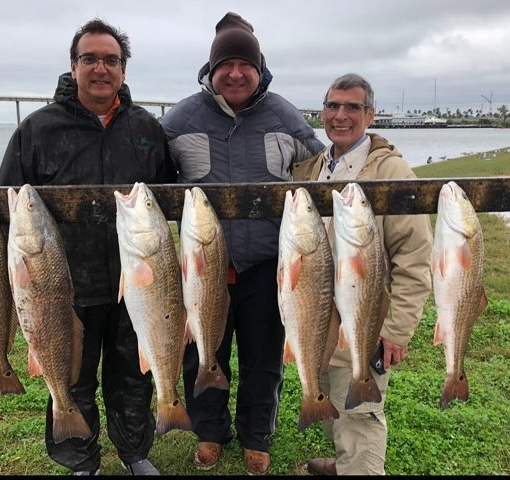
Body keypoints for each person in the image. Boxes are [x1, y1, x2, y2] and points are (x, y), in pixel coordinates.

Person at [0, 18, 177, 476]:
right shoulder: (37, 130)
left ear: (123, 69)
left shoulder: (146, 128)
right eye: (90, 58)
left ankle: (135, 454)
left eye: (111, 60)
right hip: (63, 284)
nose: (101, 68)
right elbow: (7, 204)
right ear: (73, 65)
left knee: (132, 376)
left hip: (137, 283)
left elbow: (166, 199)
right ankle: (81, 460)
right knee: (72, 377)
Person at [161, 11, 324, 476]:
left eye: (245, 65)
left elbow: (323, 171)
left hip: (269, 266)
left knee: (263, 356)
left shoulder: (284, 115)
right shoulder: (182, 118)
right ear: (210, 71)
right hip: (202, 267)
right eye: (225, 65)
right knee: (202, 351)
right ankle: (210, 431)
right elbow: (148, 175)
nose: (235, 74)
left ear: (260, 69)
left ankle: (257, 435)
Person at [292, 73, 433, 475]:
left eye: (352, 107)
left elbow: (415, 255)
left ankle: (359, 467)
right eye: (333, 106)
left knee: (361, 416)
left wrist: (398, 327)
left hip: (365, 318)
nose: (341, 115)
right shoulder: (316, 166)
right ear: (322, 112)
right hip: (317, 317)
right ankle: (343, 462)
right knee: (330, 403)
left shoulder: (392, 171)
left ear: (370, 115)